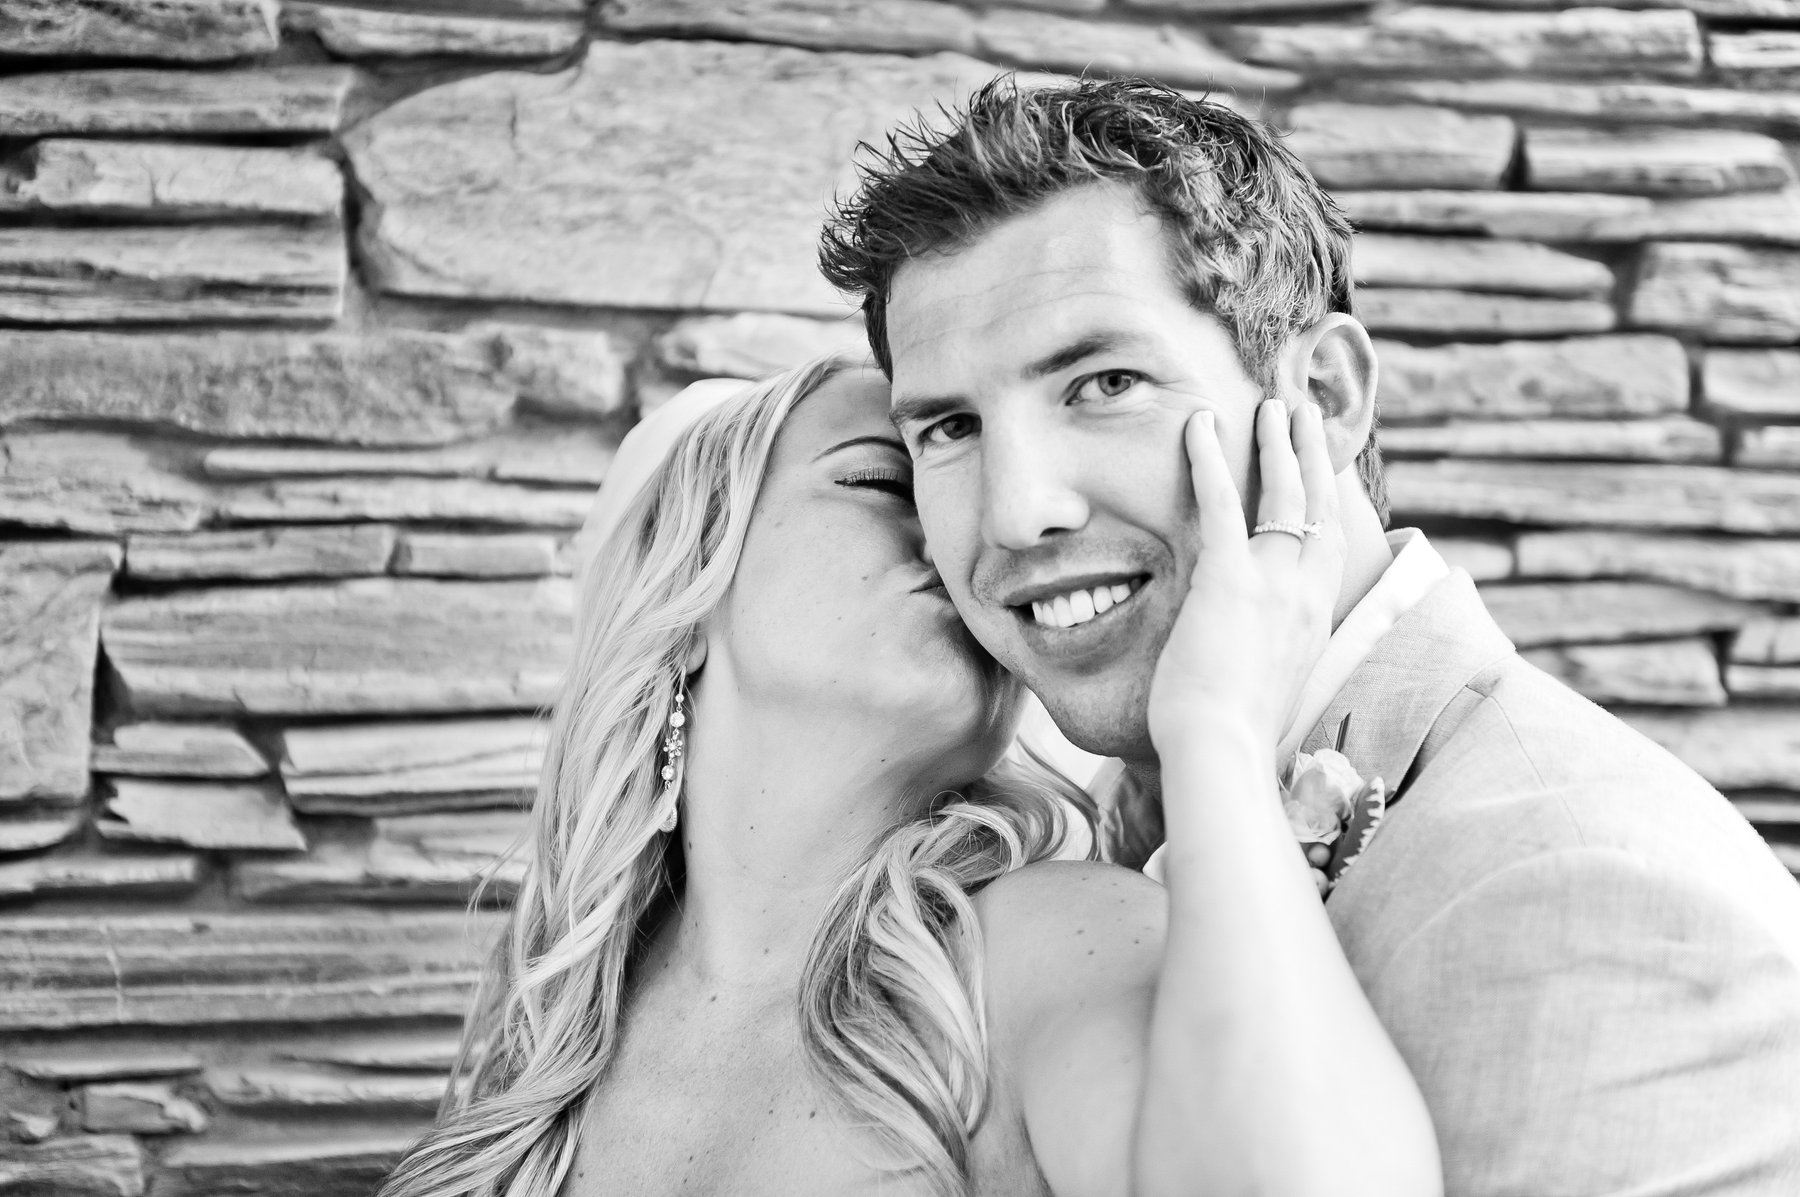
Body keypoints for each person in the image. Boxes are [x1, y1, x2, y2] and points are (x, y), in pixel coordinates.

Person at [820, 76, 1800, 1195]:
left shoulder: (1583, 890)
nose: (1015, 510)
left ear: (1324, 398)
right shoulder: (1060, 866)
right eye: (951, 427)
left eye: (1105, 383)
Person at [377, 355, 1441, 1196]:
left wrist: (1214, 728)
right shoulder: (547, 1045)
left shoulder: (1047, 950)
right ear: (685, 585)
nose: (971, 536)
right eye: (889, 480)